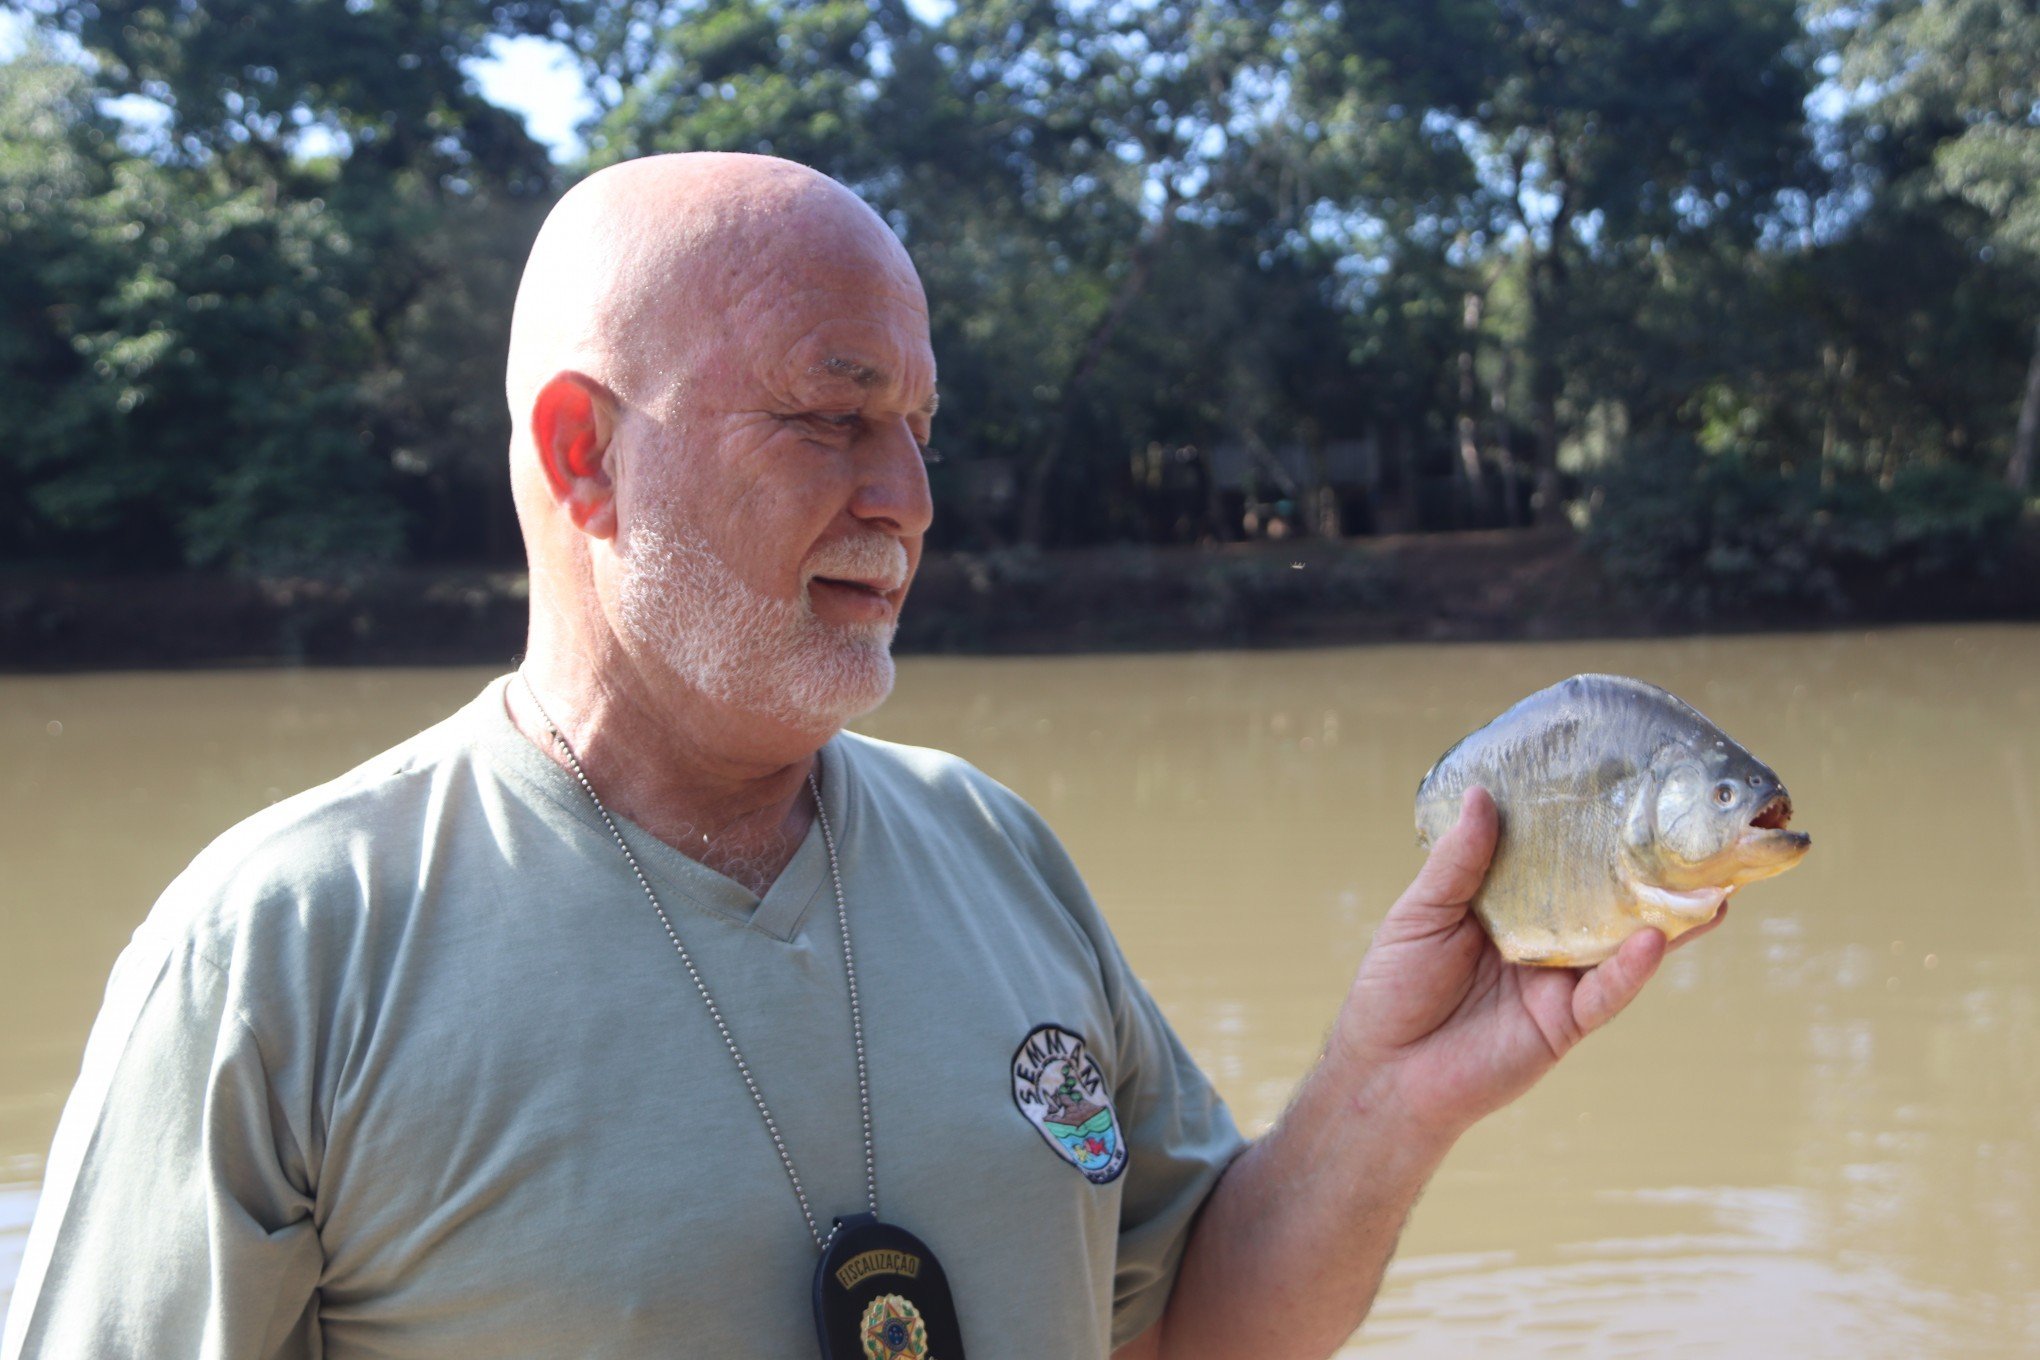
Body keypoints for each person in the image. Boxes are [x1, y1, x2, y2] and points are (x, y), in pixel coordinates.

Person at [1, 154, 1692, 1360]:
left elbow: (1189, 1327)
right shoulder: (284, 949)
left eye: (921, 429)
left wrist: (1391, 1097)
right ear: (584, 455)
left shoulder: (992, 846)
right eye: (830, 415)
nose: (908, 498)